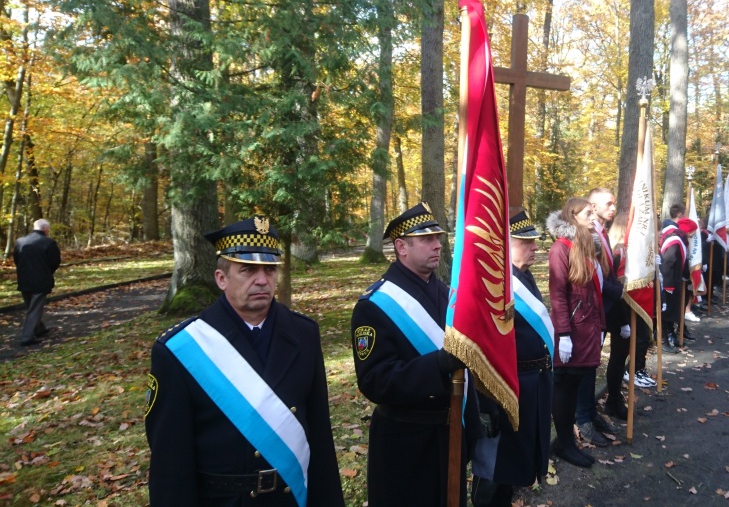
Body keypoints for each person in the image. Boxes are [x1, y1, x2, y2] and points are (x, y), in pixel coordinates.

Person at [145, 216, 344, 506]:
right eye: (248, 270)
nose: (262, 280)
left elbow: (320, 437)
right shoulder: (179, 350)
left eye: (269, 269)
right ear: (221, 278)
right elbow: (170, 463)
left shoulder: (304, 333)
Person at [350, 202, 476, 506]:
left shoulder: (447, 294)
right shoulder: (374, 304)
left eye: (438, 238)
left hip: (449, 434)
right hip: (405, 441)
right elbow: (375, 381)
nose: (436, 245)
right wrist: (437, 364)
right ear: (401, 247)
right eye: (426, 240)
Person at [471, 209, 553, 507]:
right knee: (495, 468)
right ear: (505, 243)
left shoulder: (523, 277)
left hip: (531, 385)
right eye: (525, 242)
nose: (535, 248)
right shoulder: (493, 284)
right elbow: (482, 349)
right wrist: (487, 403)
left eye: (535, 241)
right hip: (505, 389)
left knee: (517, 465)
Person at [546, 197, 605, 468]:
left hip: (587, 329)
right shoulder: (561, 248)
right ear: (573, 216)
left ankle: (569, 441)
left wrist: (601, 325)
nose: (593, 217)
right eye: (587, 213)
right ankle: (564, 442)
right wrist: (564, 335)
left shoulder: (584, 248)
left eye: (593, 212)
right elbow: (558, 294)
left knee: (575, 385)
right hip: (572, 331)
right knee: (565, 386)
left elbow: (594, 293)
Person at [571, 189, 621, 448]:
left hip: (597, 315)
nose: (611, 208)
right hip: (582, 320)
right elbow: (563, 291)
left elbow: (603, 275)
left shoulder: (596, 237)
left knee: (591, 368)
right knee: (583, 370)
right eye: (590, 212)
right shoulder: (571, 246)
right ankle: (583, 419)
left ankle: (589, 413)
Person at [604, 213, 656, 422]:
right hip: (618, 313)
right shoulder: (618, 252)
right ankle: (613, 401)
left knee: (621, 356)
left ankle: (615, 400)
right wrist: (624, 320)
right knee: (617, 358)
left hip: (627, 312)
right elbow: (615, 287)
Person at [13, 219, 61, 347]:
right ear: (45, 229)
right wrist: (47, 272)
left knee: (32, 306)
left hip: (24, 279)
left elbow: (16, 259)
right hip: (41, 280)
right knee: (34, 308)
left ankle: (40, 329)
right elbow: (55, 262)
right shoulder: (49, 243)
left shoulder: (20, 241)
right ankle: (27, 337)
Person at [659, 217, 696, 349]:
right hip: (670, 283)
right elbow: (669, 262)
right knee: (668, 310)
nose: (693, 235)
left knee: (673, 309)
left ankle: (672, 333)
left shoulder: (679, 239)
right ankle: (667, 336)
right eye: (692, 232)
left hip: (676, 280)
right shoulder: (675, 241)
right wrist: (668, 285)